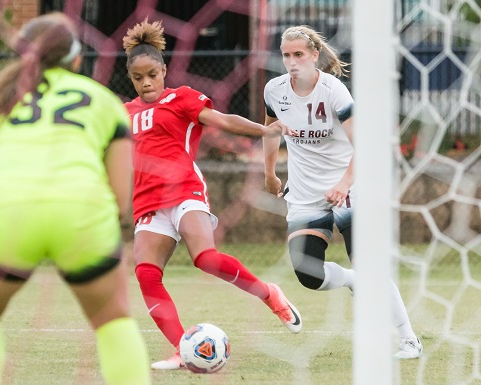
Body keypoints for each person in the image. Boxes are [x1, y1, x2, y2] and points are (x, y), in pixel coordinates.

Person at [0, 12, 151, 385]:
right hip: (82, 212)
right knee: (113, 320)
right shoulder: (105, 101)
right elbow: (120, 199)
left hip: (7, 214)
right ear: (76, 59)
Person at [122, 19, 303, 371]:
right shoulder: (125, 113)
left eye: (152, 75)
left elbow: (223, 120)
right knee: (146, 273)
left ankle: (271, 296)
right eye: (138, 78)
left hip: (185, 190)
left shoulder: (181, 99)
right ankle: (181, 349)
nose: (146, 83)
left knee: (204, 258)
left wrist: (264, 129)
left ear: (163, 71)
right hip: (148, 202)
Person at [262, 25, 422, 359]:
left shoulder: (334, 91)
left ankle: (408, 339)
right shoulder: (274, 91)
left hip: (350, 190)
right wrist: (269, 173)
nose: (292, 62)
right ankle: (352, 280)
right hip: (305, 195)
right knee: (307, 273)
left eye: (299, 55)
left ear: (314, 55)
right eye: (286, 55)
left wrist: (345, 184)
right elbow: (270, 130)